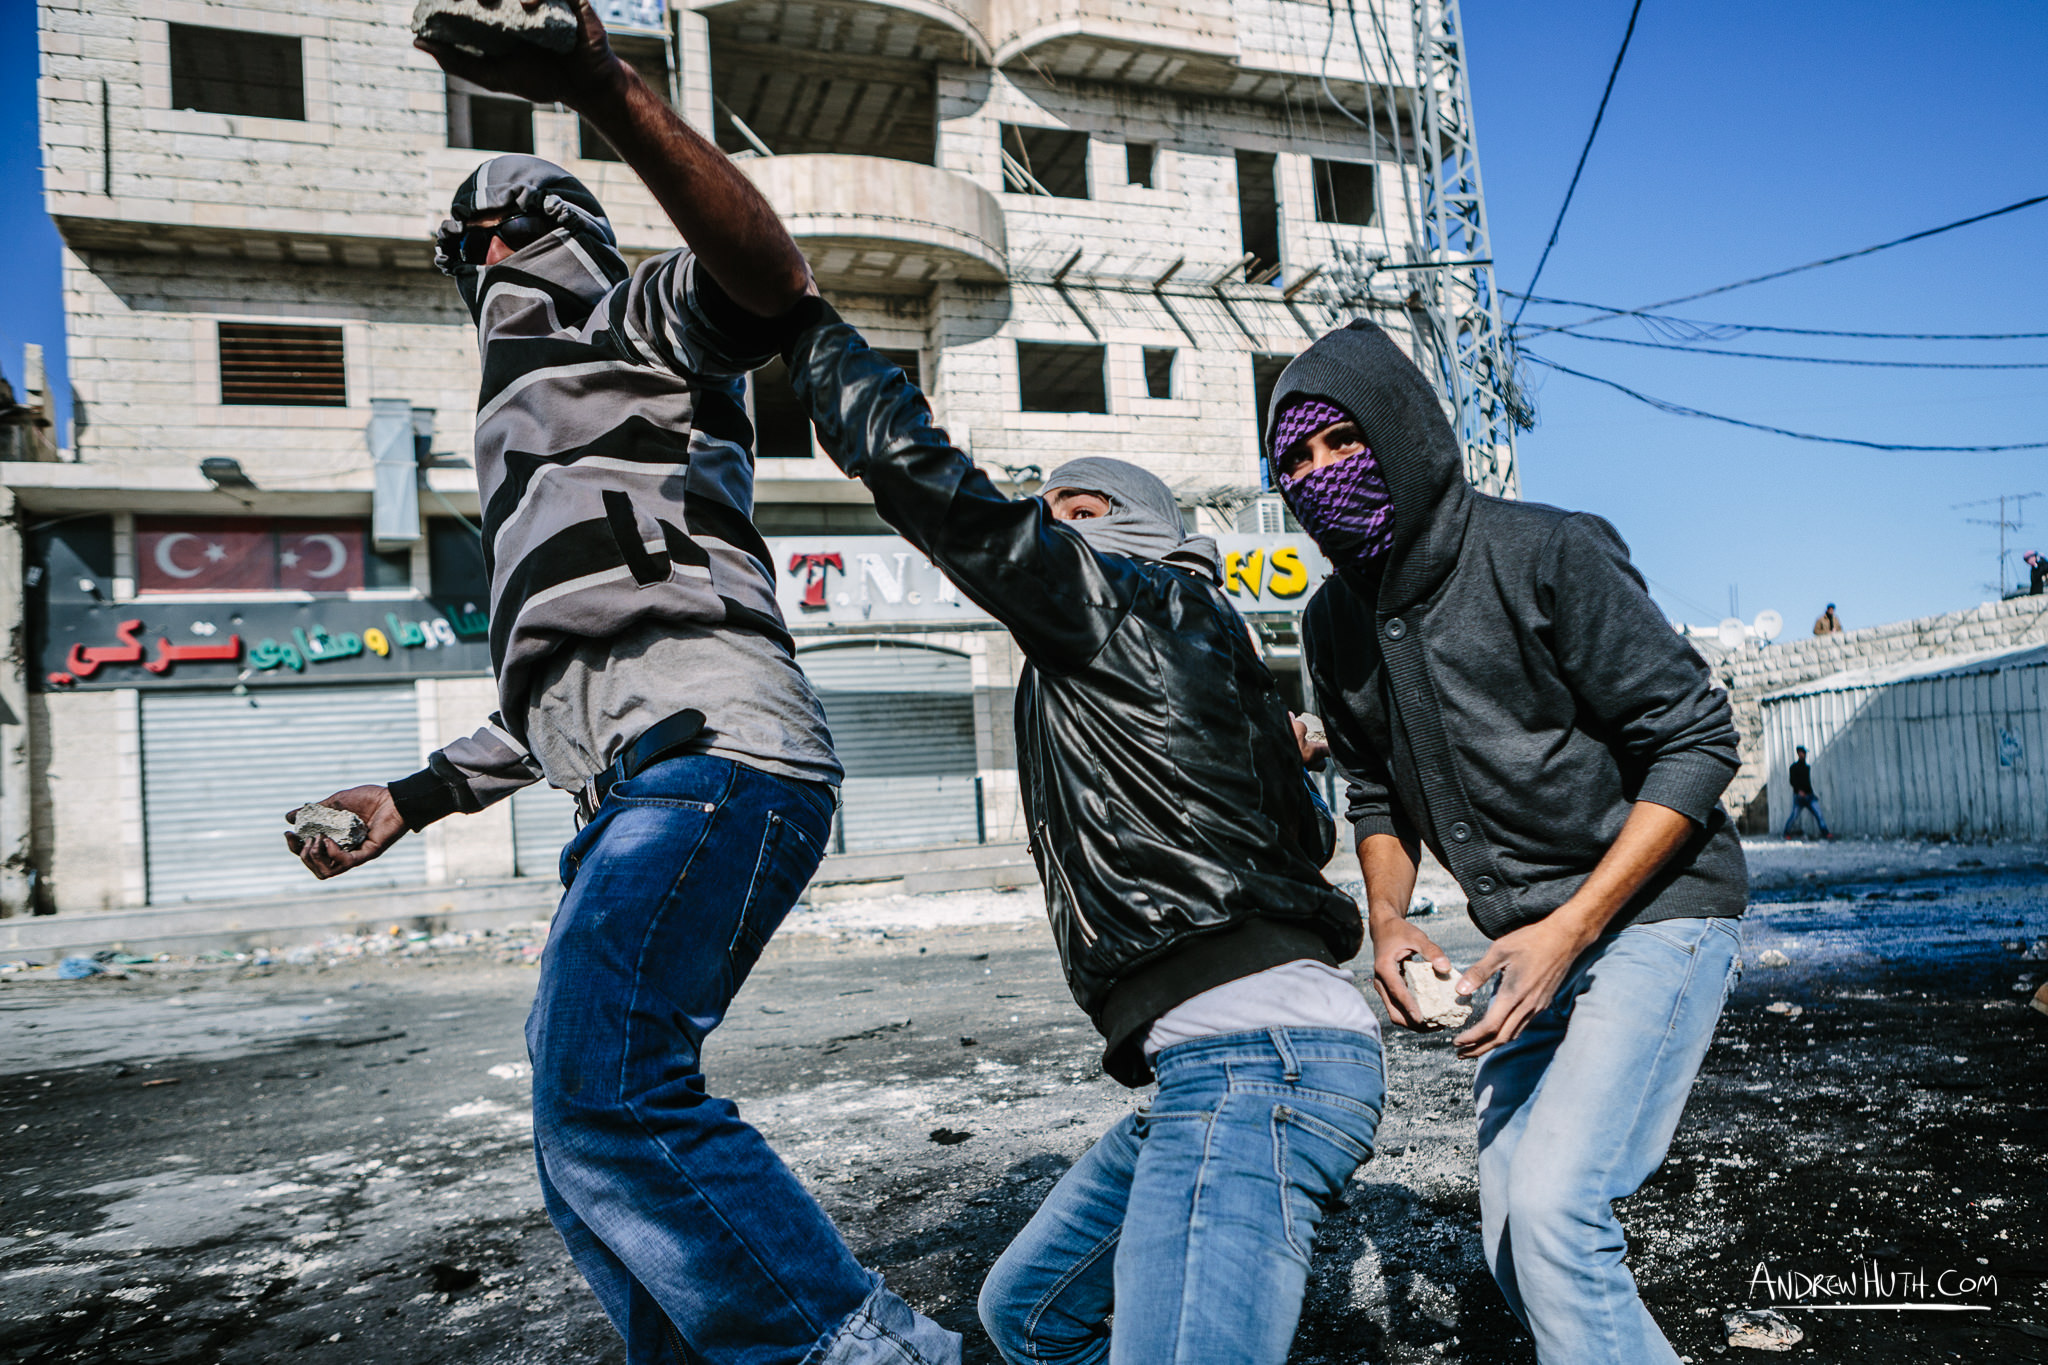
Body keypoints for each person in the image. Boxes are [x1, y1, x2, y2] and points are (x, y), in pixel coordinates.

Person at [284, 6, 957, 1362]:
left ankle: (855, 1344)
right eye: (467, 251)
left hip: (716, 761)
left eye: (507, 233)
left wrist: (602, 87)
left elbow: (767, 276)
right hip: (638, 779)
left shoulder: (621, 321)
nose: (487, 264)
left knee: (608, 1091)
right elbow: (562, 685)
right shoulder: (517, 451)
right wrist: (411, 797)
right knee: (573, 1122)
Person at [778, 308, 1383, 1364]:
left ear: (1140, 530)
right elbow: (1302, 845)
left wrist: (803, 333)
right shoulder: (1198, 659)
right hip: (1217, 1060)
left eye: (1080, 508)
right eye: (1044, 509)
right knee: (1032, 1315)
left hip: (1256, 1062)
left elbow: (945, 497)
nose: (1051, 526)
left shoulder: (1118, 598)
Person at [1271, 321, 1747, 1365]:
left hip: (1651, 916)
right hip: (1521, 950)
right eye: (1293, 462)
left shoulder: (1546, 551)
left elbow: (1696, 741)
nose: (1318, 477)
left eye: (1339, 444)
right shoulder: (1331, 625)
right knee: (1511, 1249)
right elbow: (1374, 793)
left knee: (1553, 1216)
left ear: (1400, 434)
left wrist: (1570, 928)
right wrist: (1387, 919)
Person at [1782, 745, 1830, 840]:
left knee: (1818, 814)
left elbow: (1808, 783)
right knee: (1794, 816)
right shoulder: (1794, 767)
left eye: (1804, 753)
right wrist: (1799, 791)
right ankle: (1786, 833)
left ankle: (1826, 833)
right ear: (1799, 753)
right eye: (1802, 752)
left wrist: (1812, 794)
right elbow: (1792, 781)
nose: (1803, 754)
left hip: (1809, 796)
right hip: (1799, 796)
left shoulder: (1807, 767)